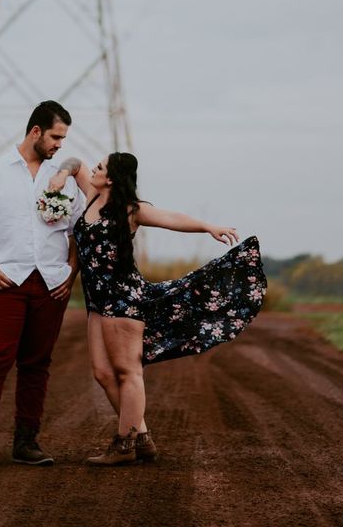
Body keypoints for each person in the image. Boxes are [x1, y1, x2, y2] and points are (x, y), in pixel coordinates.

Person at [48, 152, 267, 466]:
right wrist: (61, 174)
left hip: (123, 300)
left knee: (128, 371)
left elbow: (172, 218)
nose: (94, 168)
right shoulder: (93, 194)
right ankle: (142, 437)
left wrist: (207, 226)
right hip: (97, 301)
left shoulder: (130, 210)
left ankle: (124, 443)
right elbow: (75, 162)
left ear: (110, 178)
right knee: (103, 373)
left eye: (101, 167)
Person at [0, 100, 84, 469]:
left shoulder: (64, 178)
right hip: (4, 281)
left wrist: (70, 272)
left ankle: (27, 442)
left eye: (64, 138)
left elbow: (79, 231)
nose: (60, 144)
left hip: (50, 284)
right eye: (56, 136)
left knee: (37, 364)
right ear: (36, 131)